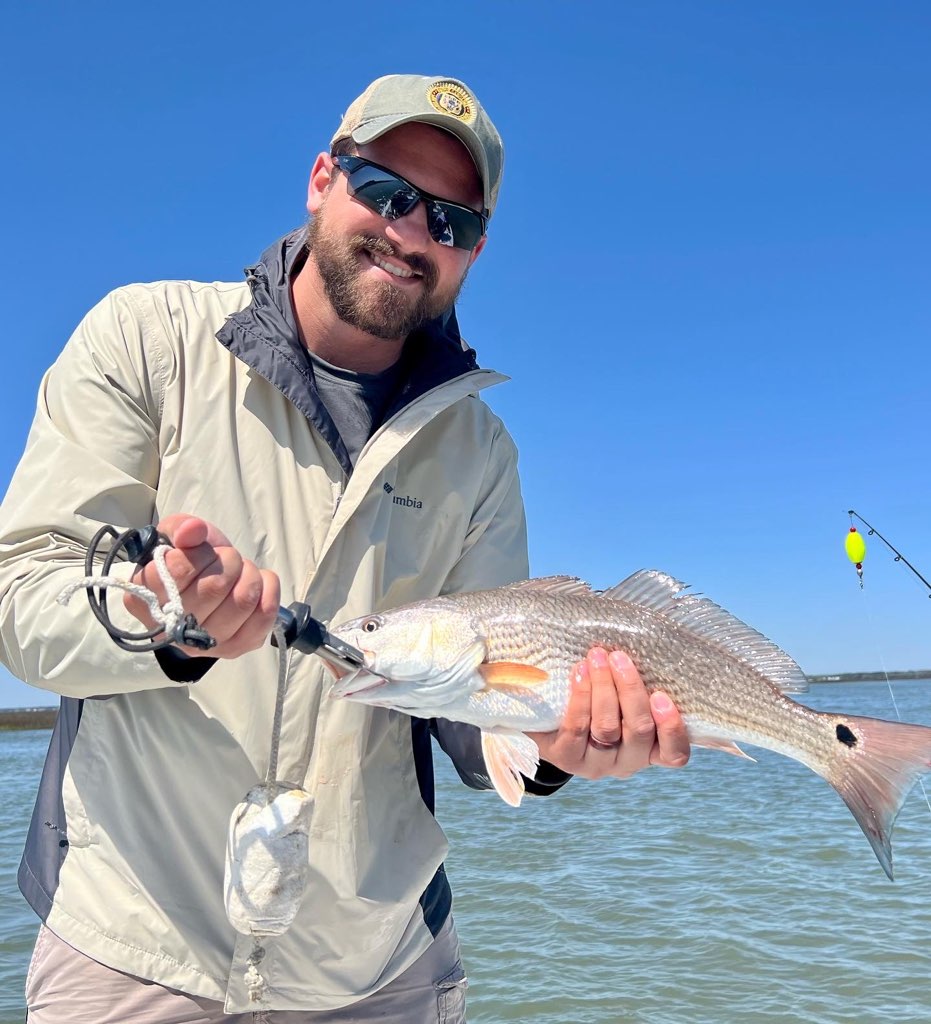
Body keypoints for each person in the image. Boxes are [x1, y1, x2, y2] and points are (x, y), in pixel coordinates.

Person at [0, 74, 690, 1023]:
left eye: (449, 221)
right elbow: (22, 601)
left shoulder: (480, 450)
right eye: (386, 191)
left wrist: (560, 747)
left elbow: (473, 715)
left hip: (378, 969)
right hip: (133, 946)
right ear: (323, 178)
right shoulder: (146, 338)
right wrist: (165, 618)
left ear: (474, 251)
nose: (411, 233)